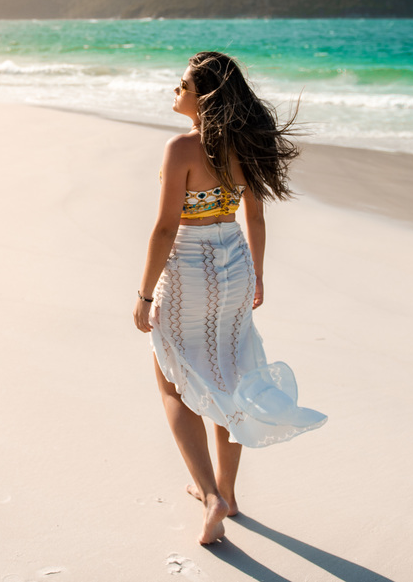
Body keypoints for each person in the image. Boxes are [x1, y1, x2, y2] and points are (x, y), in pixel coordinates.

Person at [132, 51, 327, 545]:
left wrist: (143, 293)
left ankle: (209, 493)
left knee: (174, 383)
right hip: (235, 264)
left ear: (205, 97)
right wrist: (257, 275)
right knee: (229, 375)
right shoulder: (249, 148)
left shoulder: (181, 149)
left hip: (190, 267)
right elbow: (255, 219)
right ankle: (229, 494)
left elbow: (164, 228)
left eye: (182, 86)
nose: (175, 92)